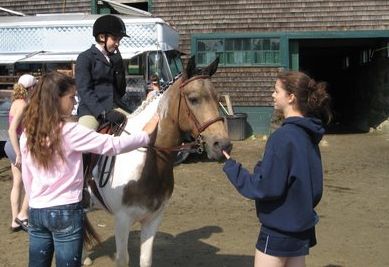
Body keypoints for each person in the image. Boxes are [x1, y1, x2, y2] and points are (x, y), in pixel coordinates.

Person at [20, 71, 159, 267]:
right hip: (65, 211)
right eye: (71, 97)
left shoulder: (27, 134)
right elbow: (113, 145)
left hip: (37, 210)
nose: (74, 102)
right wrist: (145, 135)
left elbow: (27, 176)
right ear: (56, 100)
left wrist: (35, 200)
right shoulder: (70, 131)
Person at [222, 71, 331, 267]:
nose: (273, 95)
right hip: (301, 229)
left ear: (290, 97)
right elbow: (315, 188)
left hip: (278, 231)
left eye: (276, 91)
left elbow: (264, 187)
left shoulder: (283, 137)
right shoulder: (309, 135)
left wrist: (231, 166)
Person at [75, 14, 129, 130]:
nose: (117, 44)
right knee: (85, 140)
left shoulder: (113, 59)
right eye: (115, 39)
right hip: (92, 111)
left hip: (116, 107)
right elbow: (84, 90)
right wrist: (102, 112)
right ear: (102, 37)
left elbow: (121, 91)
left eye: (119, 40)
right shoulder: (85, 57)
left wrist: (120, 68)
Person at [5, 74, 37, 232]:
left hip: (10, 146)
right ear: (31, 88)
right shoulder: (24, 104)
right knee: (33, 180)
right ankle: (23, 216)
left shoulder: (15, 102)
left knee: (17, 183)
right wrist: (18, 153)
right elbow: (11, 130)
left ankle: (14, 221)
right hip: (18, 145)